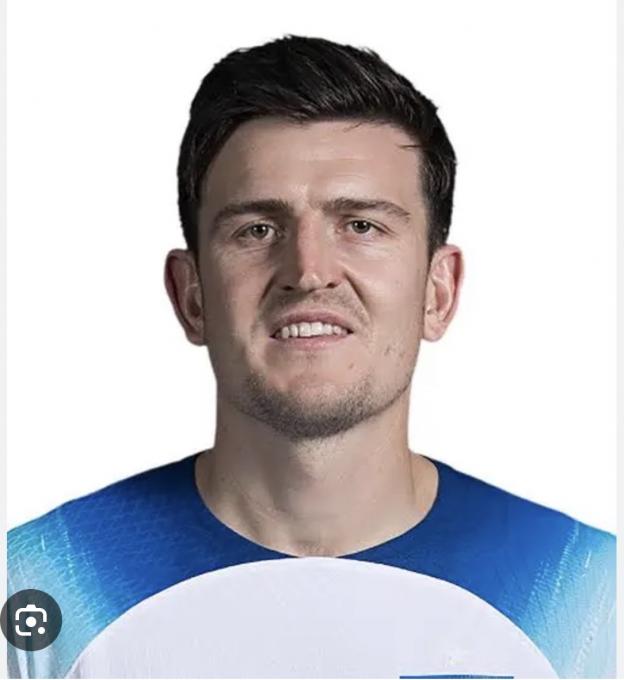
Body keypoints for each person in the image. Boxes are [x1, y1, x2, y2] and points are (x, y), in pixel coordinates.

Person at [6, 35, 615, 679]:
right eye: (257, 229)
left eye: (361, 225)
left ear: (439, 292)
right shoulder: (37, 584)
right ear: (192, 296)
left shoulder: (592, 596)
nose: (309, 271)